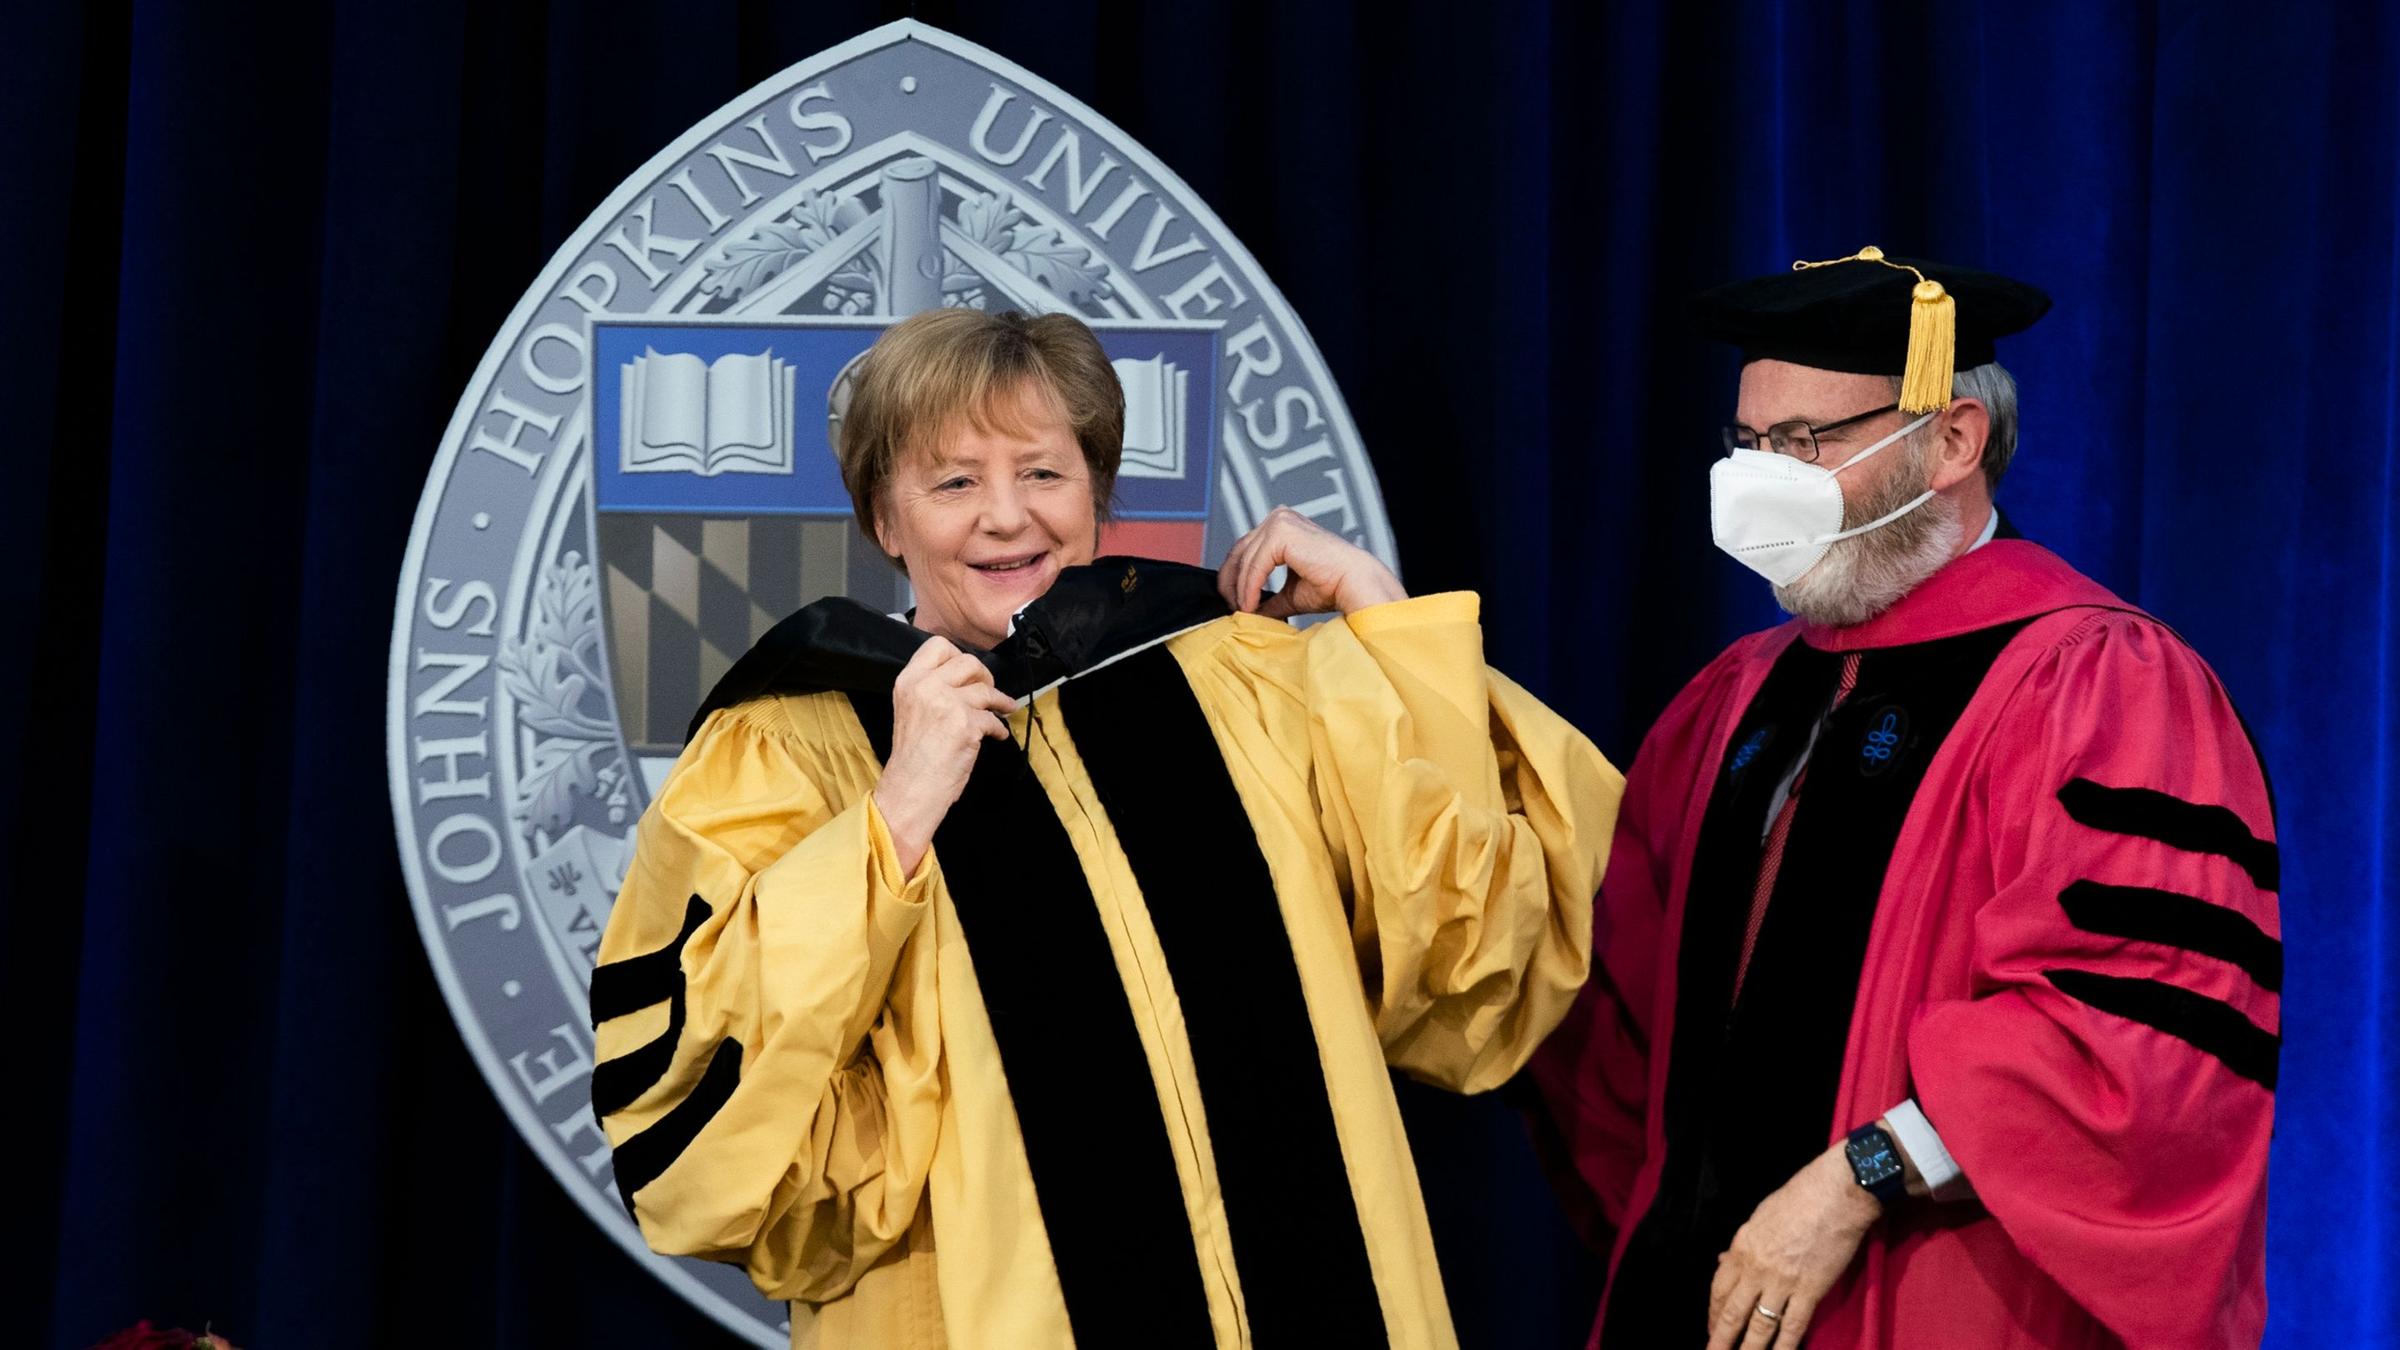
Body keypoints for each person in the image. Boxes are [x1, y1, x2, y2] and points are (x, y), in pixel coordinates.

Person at [590, 306, 1623, 1349]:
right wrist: (895, 816)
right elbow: (700, 1143)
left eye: (1044, 472)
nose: (1007, 517)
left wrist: (1378, 608)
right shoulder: (787, 750)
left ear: (1098, 493)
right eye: (954, 483)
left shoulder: (1239, 682)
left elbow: (1477, 953)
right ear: (883, 521)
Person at [1529, 248, 2278, 1349]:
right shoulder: (1733, 703)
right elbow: (1612, 1038)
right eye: (1748, 443)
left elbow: (2133, 1027)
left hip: (1943, 1309)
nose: (1759, 477)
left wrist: (1854, 1178)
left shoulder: (2102, 683)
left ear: (1951, 441)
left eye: (1804, 442)